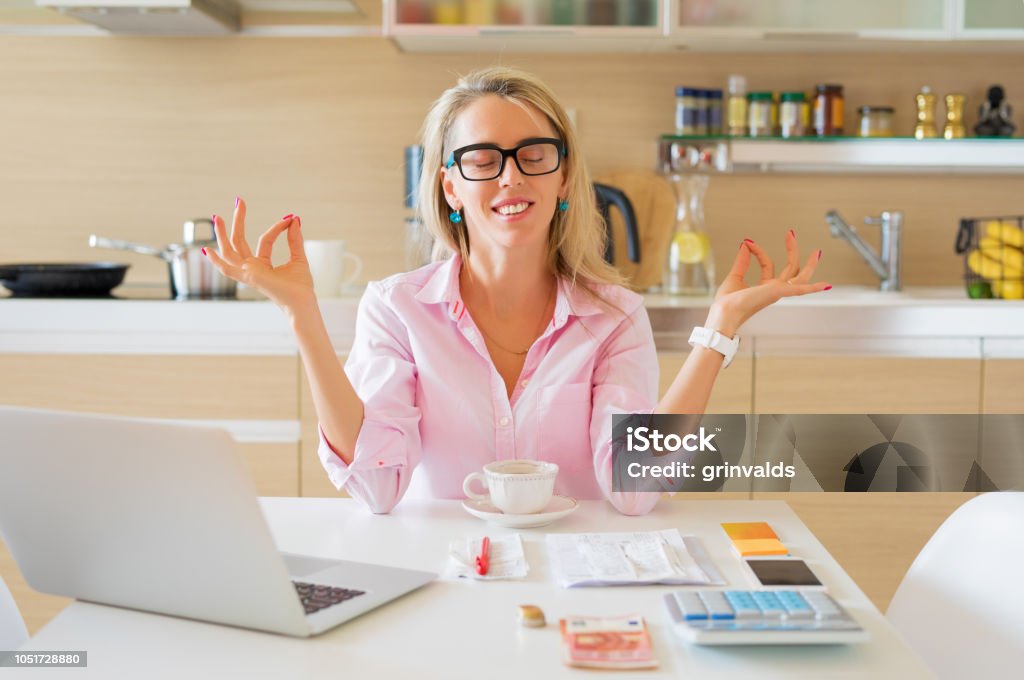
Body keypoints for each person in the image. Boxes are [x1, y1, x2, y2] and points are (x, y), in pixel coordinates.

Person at [204, 67, 829, 516]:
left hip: (578, 580)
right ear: (450, 187)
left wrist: (716, 332)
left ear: (563, 179)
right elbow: (377, 487)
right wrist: (303, 316)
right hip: (445, 577)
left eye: (534, 154)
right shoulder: (397, 309)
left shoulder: (614, 318)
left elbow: (634, 490)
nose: (509, 176)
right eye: (482, 158)